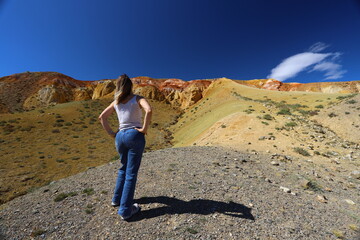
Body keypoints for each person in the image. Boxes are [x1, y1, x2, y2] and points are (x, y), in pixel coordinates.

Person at [98, 74, 152, 220]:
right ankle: (125, 210)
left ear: (118, 86)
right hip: (134, 134)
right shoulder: (138, 98)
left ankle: (116, 199)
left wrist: (111, 133)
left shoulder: (116, 102)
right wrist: (144, 129)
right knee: (131, 173)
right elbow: (149, 110)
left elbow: (102, 117)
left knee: (123, 168)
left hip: (120, 136)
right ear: (130, 86)